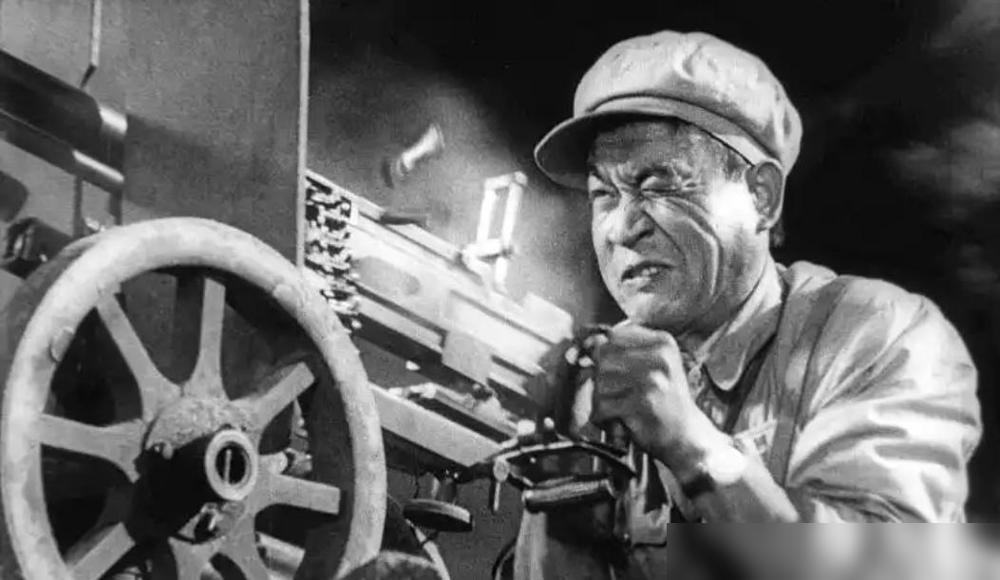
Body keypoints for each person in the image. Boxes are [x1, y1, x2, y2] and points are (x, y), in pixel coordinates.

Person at [513, 30, 983, 580]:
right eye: (603, 196)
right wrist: (563, 502)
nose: (621, 227)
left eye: (658, 184)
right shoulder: (606, 390)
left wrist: (694, 448)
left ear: (761, 196)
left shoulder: (880, 336)